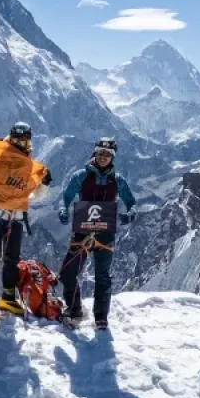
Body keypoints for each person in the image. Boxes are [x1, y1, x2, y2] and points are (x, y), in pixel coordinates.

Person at [57, 137, 137, 330]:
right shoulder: (80, 176)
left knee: (102, 276)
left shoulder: (118, 180)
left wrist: (131, 214)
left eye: (108, 154)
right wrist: (63, 210)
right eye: (101, 153)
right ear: (95, 153)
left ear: (112, 157)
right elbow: (66, 197)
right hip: (82, 232)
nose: (103, 157)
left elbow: (131, 202)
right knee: (68, 273)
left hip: (104, 233)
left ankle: (101, 317)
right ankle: (75, 309)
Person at [0, 122, 52, 320]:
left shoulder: (28, 164)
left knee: (12, 259)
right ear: (10, 138)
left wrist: (43, 182)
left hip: (15, 217)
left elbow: (36, 195)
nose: (19, 143)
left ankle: (7, 297)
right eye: (17, 139)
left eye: (23, 139)